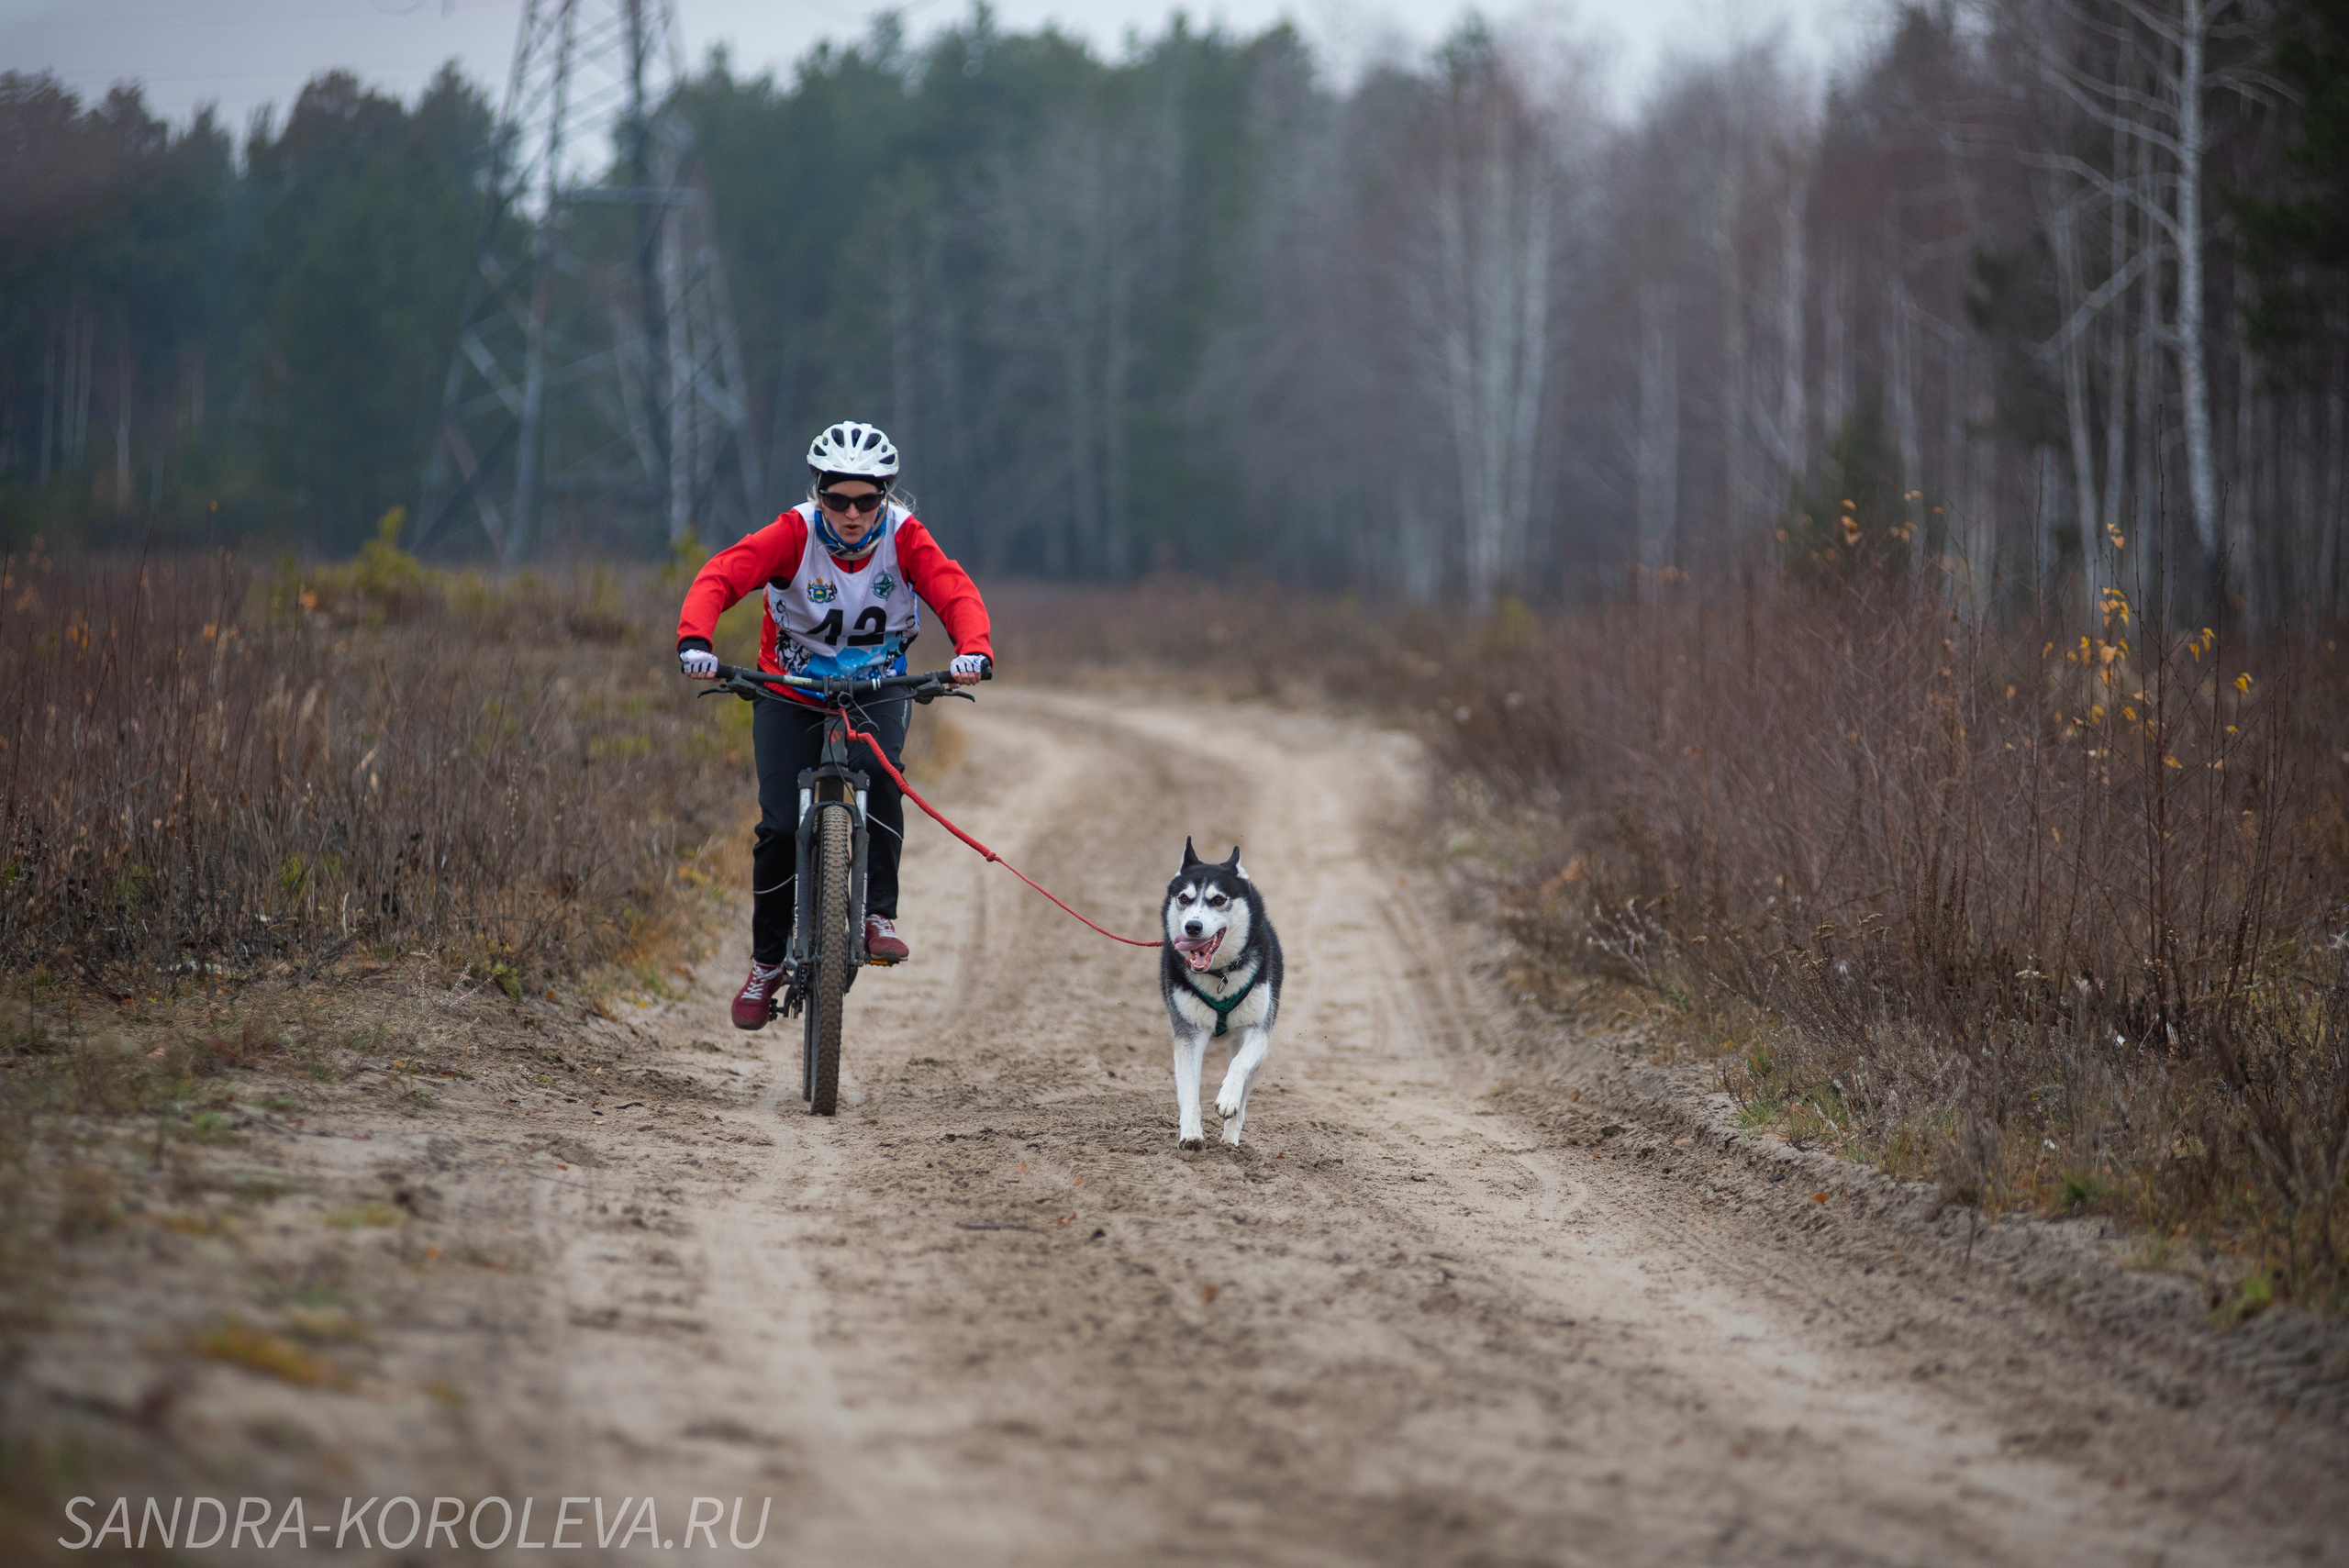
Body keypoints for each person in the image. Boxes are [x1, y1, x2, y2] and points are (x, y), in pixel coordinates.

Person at [676, 421, 993, 1030]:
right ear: (817, 492)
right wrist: (696, 638)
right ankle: (766, 963)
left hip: (876, 685)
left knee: (881, 775)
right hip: (790, 686)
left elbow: (955, 591)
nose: (852, 513)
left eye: (867, 500)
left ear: (886, 497)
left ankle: (878, 917)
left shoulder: (906, 538)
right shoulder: (792, 533)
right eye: (838, 498)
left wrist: (972, 648)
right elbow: (721, 575)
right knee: (774, 828)